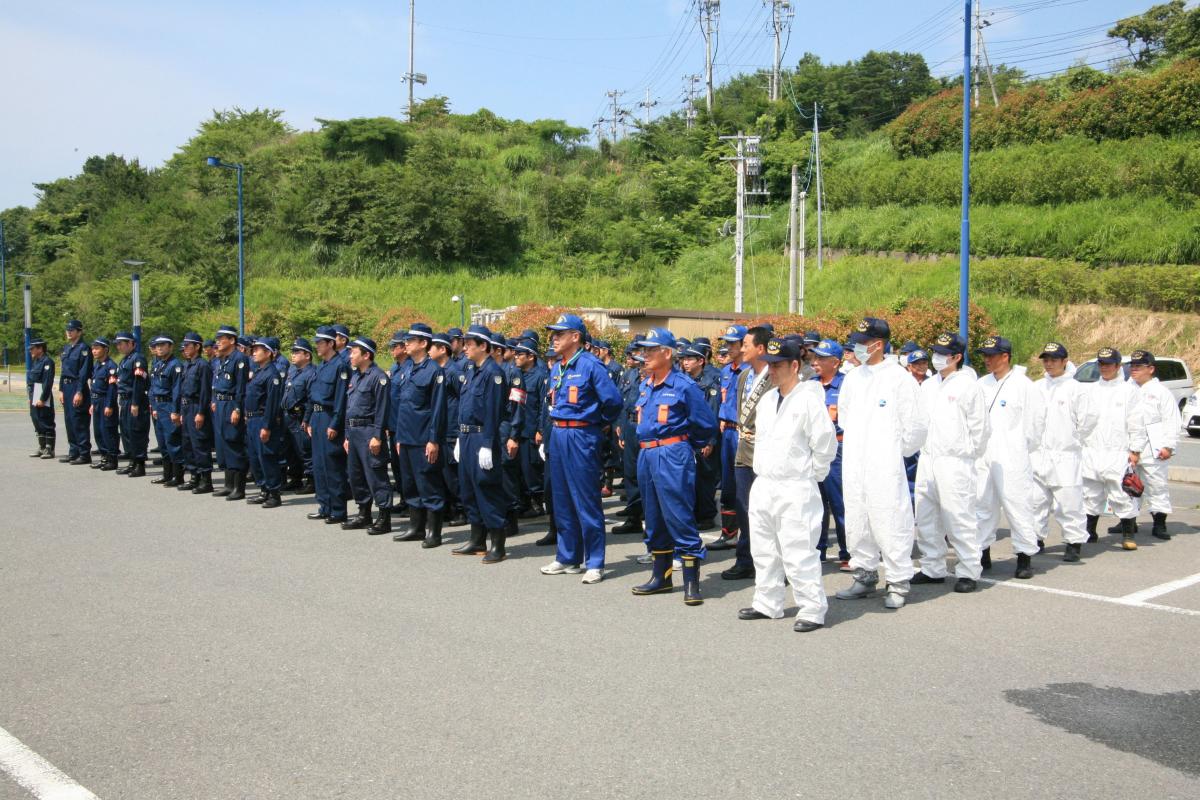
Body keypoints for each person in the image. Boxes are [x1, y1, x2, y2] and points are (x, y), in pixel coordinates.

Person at [738, 337, 839, 631]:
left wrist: (811, 475)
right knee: (764, 548)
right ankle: (767, 602)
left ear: (795, 365)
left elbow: (824, 444)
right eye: (769, 365)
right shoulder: (769, 400)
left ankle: (812, 608)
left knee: (798, 550)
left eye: (778, 365)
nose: (772, 370)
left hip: (795, 485)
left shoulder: (809, 399)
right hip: (765, 482)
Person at [835, 317, 927, 610]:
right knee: (858, 518)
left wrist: (893, 452)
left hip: (884, 462)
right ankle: (864, 574)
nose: (859, 348)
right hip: (855, 460)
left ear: (879, 343)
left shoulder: (898, 378)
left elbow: (915, 426)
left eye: (863, 343)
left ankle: (898, 581)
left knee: (890, 519)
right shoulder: (853, 377)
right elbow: (845, 417)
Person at [627, 328, 718, 601]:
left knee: (678, 515)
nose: (645, 356)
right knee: (653, 517)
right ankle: (661, 576)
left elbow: (705, 424)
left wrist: (683, 447)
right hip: (647, 455)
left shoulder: (683, 385)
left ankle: (692, 583)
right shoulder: (646, 384)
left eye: (651, 350)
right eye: (643, 350)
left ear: (667, 353)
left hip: (672, 453)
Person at [539, 314, 623, 582]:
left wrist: (598, 423)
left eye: (559, 333)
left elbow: (613, 401)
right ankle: (567, 556)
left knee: (586, 498)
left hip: (581, 434)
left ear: (575, 337)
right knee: (561, 498)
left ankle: (595, 561)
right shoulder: (557, 367)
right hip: (559, 432)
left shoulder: (590, 365)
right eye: (553, 333)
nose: (554, 337)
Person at [912, 332, 989, 592]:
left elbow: (980, 429)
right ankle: (932, 567)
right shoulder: (928, 385)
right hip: (928, 458)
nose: (937, 358)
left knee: (959, 517)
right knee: (926, 516)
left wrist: (967, 453)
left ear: (957, 357)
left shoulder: (968, 386)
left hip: (956, 461)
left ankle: (969, 569)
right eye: (935, 352)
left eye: (943, 353)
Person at [975, 336, 1046, 579]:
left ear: (1005, 356)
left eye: (991, 355)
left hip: (1012, 454)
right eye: (985, 355)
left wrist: (1019, 448)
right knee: (982, 505)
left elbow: (1035, 425)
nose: (987, 359)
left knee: (1018, 506)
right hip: (983, 454)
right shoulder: (981, 384)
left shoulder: (1024, 385)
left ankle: (1024, 557)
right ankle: (982, 553)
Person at [1031, 342, 1096, 562]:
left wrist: (1073, 440)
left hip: (1065, 455)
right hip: (1039, 454)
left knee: (1069, 502)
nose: (1049, 364)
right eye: (1046, 360)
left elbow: (1088, 421)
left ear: (1064, 362)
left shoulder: (1076, 389)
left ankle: (1073, 542)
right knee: (1036, 500)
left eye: (1054, 360)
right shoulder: (1037, 387)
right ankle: (1035, 538)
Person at [451, 325, 510, 562]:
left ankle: (498, 544)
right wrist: (458, 437)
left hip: (482, 437)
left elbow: (494, 412)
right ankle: (477, 540)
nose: (465, 348)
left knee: (487, 489)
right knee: (468, 488)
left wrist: (487, 443)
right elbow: (465, 408)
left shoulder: (493, 374)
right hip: (466, 437)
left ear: (483, 346)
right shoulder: (472, 371)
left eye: (469, 344)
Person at [1082, 348, 1146, 550]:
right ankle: (1089, 531)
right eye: (1101, 364)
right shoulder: (1090, 390)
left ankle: (1128, 534)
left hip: (1118, 451)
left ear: (1118, 366)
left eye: (1109, 364)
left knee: (1121, 494)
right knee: (1090, 494)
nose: (1104, 367)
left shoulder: (1129, 391)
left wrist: (1135, 450)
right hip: (1092, 449)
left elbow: (1136, 421)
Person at [723, 325, 774, 581]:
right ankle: (745, 559)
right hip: (743, 450)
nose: (741, 349)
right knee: (744, 508)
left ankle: (774, 563)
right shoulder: (744, 376)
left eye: (745, 344)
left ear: (760, 349)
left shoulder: (774, 376)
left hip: (766, 452)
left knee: (769, 511)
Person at [391, 323, 448, 544]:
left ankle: (434, 532)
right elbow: (403, 406)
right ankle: (416, 527)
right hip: (406, 437)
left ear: (423, 343)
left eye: (411, 340)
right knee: (410, 484)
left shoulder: (435, 371)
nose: (406, 343)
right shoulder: (407, 369)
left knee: (429, 484)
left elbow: (437, 409)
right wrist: (398, 437)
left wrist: (433, 440)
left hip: (423, 438)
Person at [339, 337, 393, 532]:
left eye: (353, 352)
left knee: (376, 475)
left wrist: (378, 436)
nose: (350, 355)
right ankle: (364, 514)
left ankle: (384, 517)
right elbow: (349, 407)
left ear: (366, 355)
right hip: (354, 433)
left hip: (369, 431)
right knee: (356, 476)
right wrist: (346, 435)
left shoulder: (378, 377)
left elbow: (382, 409)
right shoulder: (356, 376)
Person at [1128, 350, 1180, 542]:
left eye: (1138, 367)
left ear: (1150, 369)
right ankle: (1128, 520)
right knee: (1129, 486)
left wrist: (1169, 446)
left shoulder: (1161, 393)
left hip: (1154, 446)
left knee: (1156, 485)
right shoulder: (1127, 389)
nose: (1134, 370)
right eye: (1132, 366)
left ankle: (1159, 522)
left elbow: (1172, 420)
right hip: (1130, 446)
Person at [305, 326, 351, 525]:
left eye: (320, 343)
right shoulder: (321, 366)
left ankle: (338, 509)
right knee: (319, 464)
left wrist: (335, 423)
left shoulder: (340, 366)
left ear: (331, 343)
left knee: (332, 465)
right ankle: (324, 505)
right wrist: (307, 419)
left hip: (329, 417)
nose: (317, 346)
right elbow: (312, 394)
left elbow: (341, 399)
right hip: (316, 417)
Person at [811, 339, 850, 570]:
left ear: (835, 363)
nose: (815, 362)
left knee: (840, 503)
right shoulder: (810, 385)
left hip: (838, 449)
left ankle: (847, 551)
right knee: (816, 502)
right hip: (815, 450)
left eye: (821, 358)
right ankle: (818, 549)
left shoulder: (846, 385)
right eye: (815, 357)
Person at [710, 324, 747, 549]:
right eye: (727, 343)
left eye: (733, 343)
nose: (728, 347)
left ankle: (747, 537)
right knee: (728, 485)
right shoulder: (725, 372)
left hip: (745, 433)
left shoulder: (751, 372)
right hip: (728, 432)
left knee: (746, 486)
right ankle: (728, 532)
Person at [679, 339, 722, 531]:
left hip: (703, 437)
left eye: (690, 359)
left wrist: (709, 440)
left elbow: (712, 413)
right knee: (690, 477)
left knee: (705, 477)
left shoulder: (710, 381)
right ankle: (693, 512)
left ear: (701, 361)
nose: (685, 362)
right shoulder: (684, 380)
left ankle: (706, 515)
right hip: (687, 436)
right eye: (684, 359)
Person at [244, 338, 286, 509]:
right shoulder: (259, 371)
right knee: (255, 458)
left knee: (267, 457)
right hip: (253, 419)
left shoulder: (272, 374)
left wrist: (266, 426)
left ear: (268, 353)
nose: (254, 352)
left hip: (263, 420)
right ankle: (264, 489)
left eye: (258, 350)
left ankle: (274, 493)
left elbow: (272, 403)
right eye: (253, 349)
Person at [430, 331, 466, 529]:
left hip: (453, 428)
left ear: (442, 349)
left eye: (432, 347)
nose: (428, 351)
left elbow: (463, 400)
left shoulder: (453, 371)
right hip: (442, 429)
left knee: (453, 474)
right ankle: (449, 507)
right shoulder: (437, 371)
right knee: (442, 473)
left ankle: (461, 509)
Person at [210, 325, 249, 500]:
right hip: (220, 404)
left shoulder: (239, 359)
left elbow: (241, 388)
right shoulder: (222, 360)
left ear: (232, 340)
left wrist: (237, 408)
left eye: (221, 338)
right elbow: (216, 383)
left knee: (233, 443)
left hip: (231, 404)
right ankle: (228, 484)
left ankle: (238, 488)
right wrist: (213, 401)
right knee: (222, 443)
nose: (217, 342)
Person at [612, 344, 646, 536]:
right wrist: (621, 427)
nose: (641, 367)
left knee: (647, 476)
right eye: (639, 364)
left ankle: (650, 519)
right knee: (631, 474)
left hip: (647, 428)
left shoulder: (655, 380)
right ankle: (633, 516)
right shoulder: (630, 375)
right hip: (630, 426)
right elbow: (622, 403)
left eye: (644, 364)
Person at [513, 337, 549, 519]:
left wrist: (540, 430)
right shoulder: (518, 376)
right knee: (519, 469)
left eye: (520, 354)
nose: (516, 357)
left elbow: (544, 406)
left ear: (531, 357)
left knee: (531, 469)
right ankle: (524, 501)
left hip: (531, 429)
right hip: (519, 428)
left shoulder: (541, 376)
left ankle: (537, 502)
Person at [177, 332, 215, 494]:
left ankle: (206, 480)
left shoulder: (203, 365)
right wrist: (180, 411)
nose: (185, 348)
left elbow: (205, 392)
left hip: (196, 407)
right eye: (184, 346)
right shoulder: (187, 365)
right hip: (186, 408)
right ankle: (194, 476)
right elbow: (182, 390)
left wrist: (201, 412)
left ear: (197, 346)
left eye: (188, 345)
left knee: (199, 444)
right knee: (187, 443)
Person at [148, 334, 185, 487]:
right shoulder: (158, 365)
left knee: (173, 441)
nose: (159, 348)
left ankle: (178, 476)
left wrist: (175, 411)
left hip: (169, 405)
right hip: (159, 406)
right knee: (163, 442)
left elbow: (177, 390)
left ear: (170, 347)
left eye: (163, 345)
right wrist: (154, 406)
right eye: (157, 345)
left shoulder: (175, 365)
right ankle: (167, 474)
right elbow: (153, 387)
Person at [113, 331, 150, 477]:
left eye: (121, 343)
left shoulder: (138, 358)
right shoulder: (124, 360)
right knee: (127, 432)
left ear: (131, 343)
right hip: (125, 400)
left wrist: (135, 402)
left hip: (135, 400)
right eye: (117, 344)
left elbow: (138, 383)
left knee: (136, 432)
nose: (119, 346)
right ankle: (132, 461)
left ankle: (139, 465)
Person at [282, 338, 316, 495]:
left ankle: (311, 480)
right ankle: (295, 478)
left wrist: (306, 419)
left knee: (305, 450)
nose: (293, 355)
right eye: (292, 352)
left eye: (297, 352)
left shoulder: (311, 373)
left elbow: (310, 399)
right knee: (291, 450)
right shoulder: (292, 371)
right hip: (288, 416)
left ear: (307, 355)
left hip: (299, 416)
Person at [59, 319, 93, 464]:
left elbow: (84, 373)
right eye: (67, 330)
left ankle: (84, 453)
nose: (69, 332)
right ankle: (73, 451)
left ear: (79, 332)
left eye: (72, 330)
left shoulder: (84, 349)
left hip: (77, 386)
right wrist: (61, 389)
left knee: (79, 420)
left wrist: (79, 391)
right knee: (69, 420)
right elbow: (63, 371)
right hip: (66, 386)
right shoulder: (67, 348)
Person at [88, 336, 120, 471]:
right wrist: (92, 403)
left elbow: (112, 389)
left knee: (108, 430)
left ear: (105, 349)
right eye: (93, 349)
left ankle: (112, 459)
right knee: (98, 431)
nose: (94, 351)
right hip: (96, 401)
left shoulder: (111, 366)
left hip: (105, 401)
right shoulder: (97, 365)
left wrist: (109, 405)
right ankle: (104, 457)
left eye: (97, 348)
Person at [26, 334, 57, 459]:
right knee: (36, 420)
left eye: (33, 348)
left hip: (42, 393)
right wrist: (30, 397)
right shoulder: (36, 361)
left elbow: (47, 382)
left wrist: (42, 398)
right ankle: (42, 446)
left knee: (46, 421)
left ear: (40, 349)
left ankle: (49, 448)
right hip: (34, 393)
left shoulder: (47, 361)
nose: (31, 351)